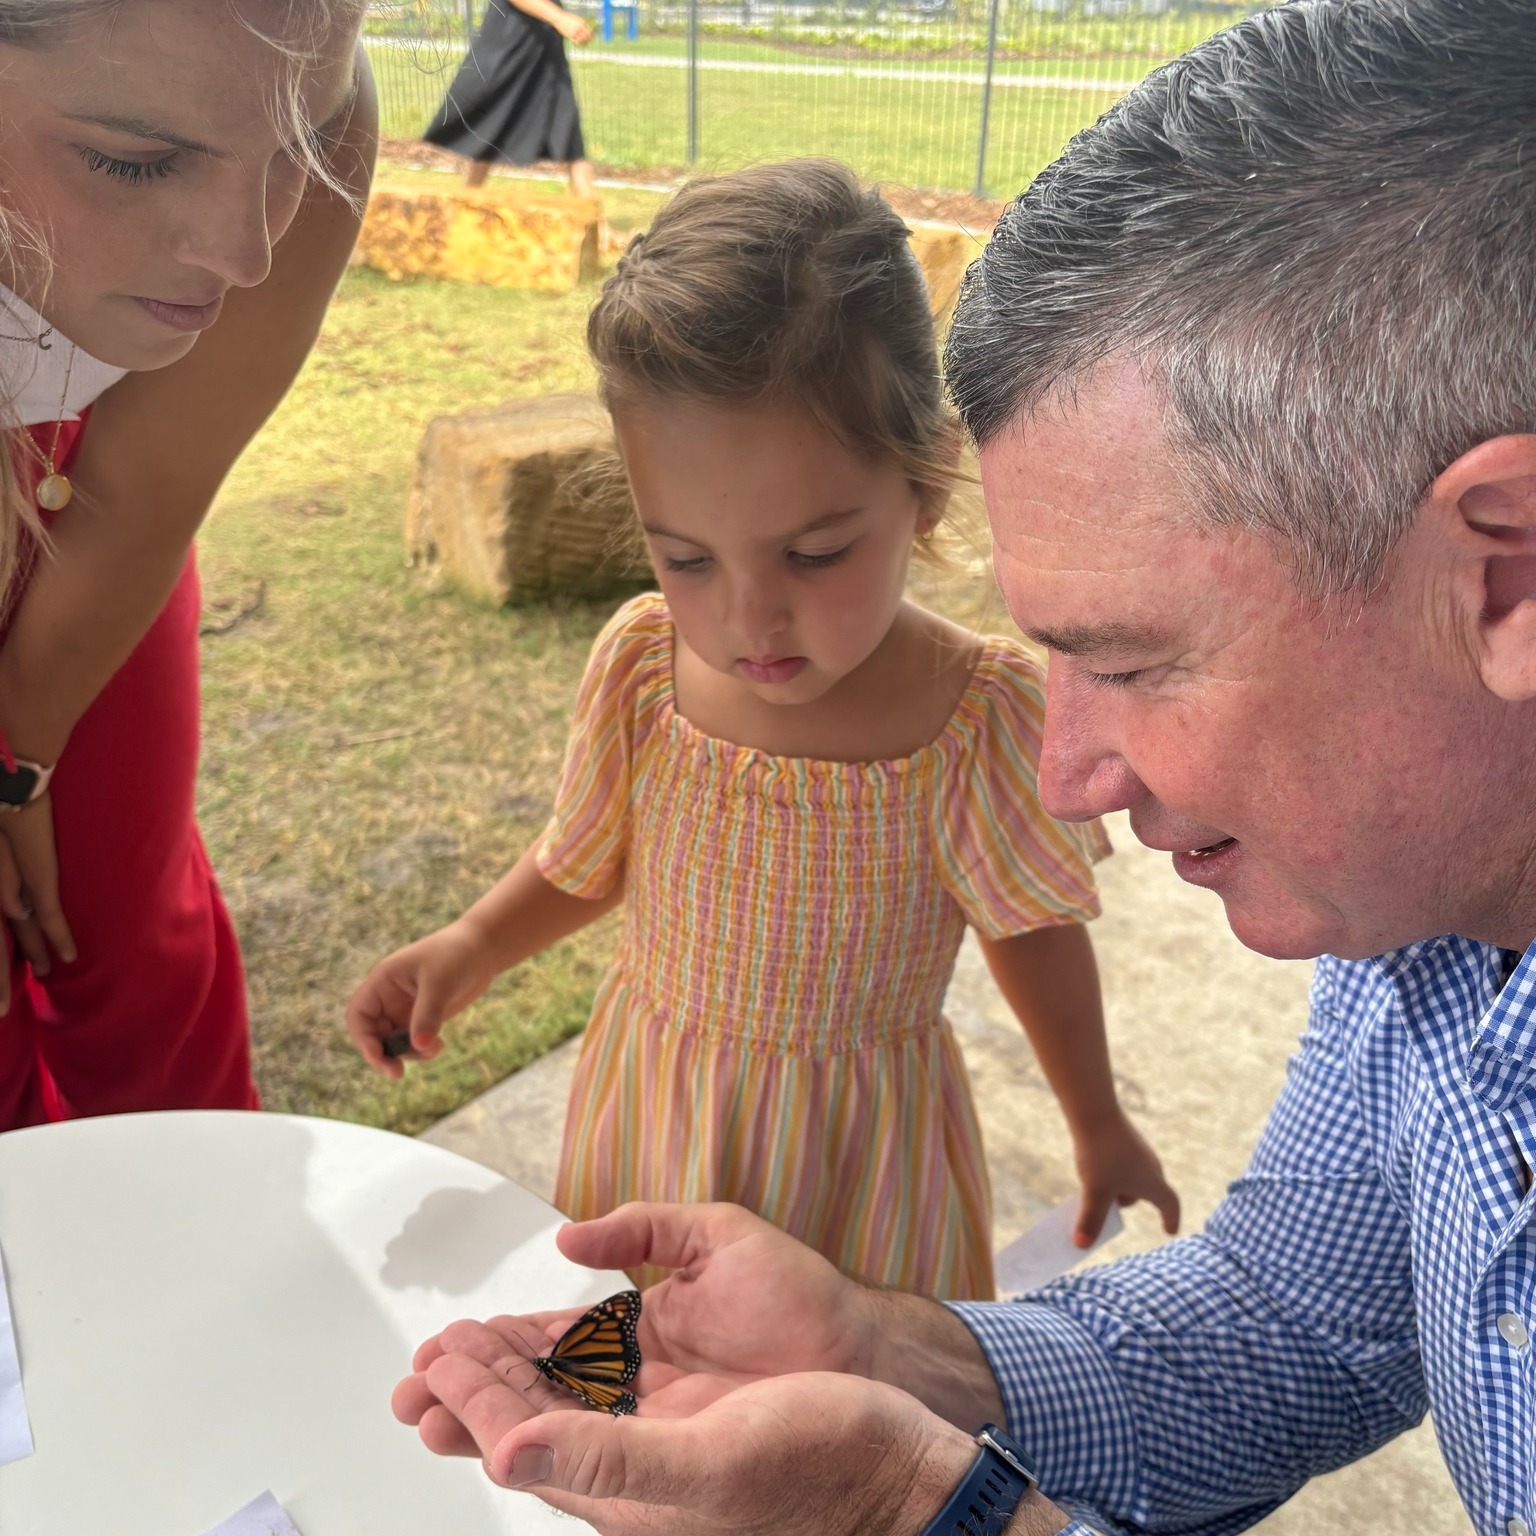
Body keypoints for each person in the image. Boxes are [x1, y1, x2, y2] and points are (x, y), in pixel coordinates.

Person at [388, 2, 1536, 1533]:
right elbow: (1298, 1322)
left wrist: (921, 1511)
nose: (1065, 774)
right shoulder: (1424, 931)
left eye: (1132, 661)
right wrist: (885, 1351)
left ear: (1506, 577)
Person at [348, 160, 1178, 1299]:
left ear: (923, 492)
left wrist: (1097, 1120)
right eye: (685, 557)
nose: (748, 617)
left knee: (849, 1428)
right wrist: (472, 944)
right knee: (637, 1378)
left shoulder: (970, 718)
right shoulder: (644, 669)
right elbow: (591, 861)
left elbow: (1028, 932)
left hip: (855, 1167)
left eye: (815, 552)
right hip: (660, 1123)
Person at [0, 0, 376, 1130]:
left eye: (295, 148)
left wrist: (12, 763)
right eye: (135, 158)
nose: (245, 251)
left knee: (121, 931)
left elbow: (137, 497)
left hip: (78, 498)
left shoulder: (304, 107)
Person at [422, 0, 597, 203]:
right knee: (493, 119)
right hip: (510, 44)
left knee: (566, 125)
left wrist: (568, 24)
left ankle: (595, 221)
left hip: (545, 50)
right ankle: (464, 201)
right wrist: (559, 18)